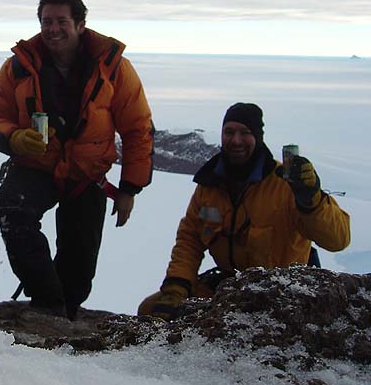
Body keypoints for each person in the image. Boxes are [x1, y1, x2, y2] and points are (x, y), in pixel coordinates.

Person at [0, 0, 154, 319]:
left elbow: (138, 128)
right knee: (11, 209)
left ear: (81, 24)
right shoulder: (18, 67)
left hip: (86, 174)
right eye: (47, 21)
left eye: (62, 21)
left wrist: (129, 188)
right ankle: (47, 302)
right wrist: (14, 138)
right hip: (36, 165)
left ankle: (65, 310)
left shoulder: (113, 68)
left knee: (79, 272)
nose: (53, 29)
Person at [139, 102, 351, 321]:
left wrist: (311, 199)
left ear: (257, 137)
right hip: (229, 285)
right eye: (229, 132)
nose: (236, 140)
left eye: (245, 133)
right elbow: (190, 239)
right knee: (151, 310)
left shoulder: (284, 184)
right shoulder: (210, 184)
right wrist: (176, 288)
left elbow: (338, 239)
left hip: (283, 291)